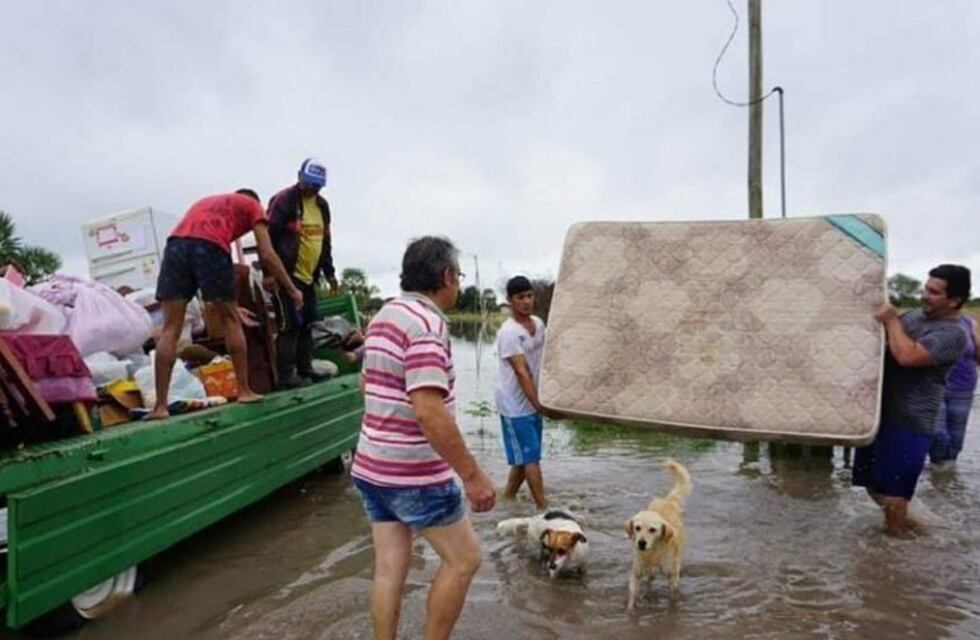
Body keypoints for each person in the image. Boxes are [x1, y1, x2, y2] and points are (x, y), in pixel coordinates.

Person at [350, 236, 495, 640]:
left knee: (389, 567)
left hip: (371, 467)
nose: (460, 285)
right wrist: (473, 476)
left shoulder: (383, 317)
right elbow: (429, 409)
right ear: (447, 276)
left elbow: (366, 385)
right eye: (459, 276)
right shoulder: (428, 326)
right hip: (414, 475)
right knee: (464, 561)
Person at [149, 189, 302, 420]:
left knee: (171, 328)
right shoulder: (253, 206)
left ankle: (160, 407)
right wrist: (292, 289)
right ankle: (244, 390)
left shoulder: (206, 201)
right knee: (230, 320)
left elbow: (193, 248)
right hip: (210, 246)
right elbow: (267, 253)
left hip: (175, 245)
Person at [853, 264, 970, 535]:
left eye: (934, 292)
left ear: (954, 300)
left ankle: (895, 551)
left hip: (910, 421)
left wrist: (893, 320)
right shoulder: (915, 317)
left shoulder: (954, 334)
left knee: (894, 495)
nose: (924, 295)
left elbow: (907, 356)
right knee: (872, 485)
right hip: (877, 416)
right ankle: (914, 525)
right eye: (925, 288)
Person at [267, 158, 339, 388]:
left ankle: (306, 369)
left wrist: (329, 272)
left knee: (309, 322)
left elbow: (325, 241)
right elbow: (267, 238)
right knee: (290, 325)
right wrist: (270, 273)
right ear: (299, 177)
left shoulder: (322, 207)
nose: (312, 188)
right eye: (309, 183)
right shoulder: (284, 201)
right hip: (286, 275)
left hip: (309, 276)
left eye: (317, 185)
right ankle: (285, 375)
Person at [495, 275, 557, 509]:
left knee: (523, 457)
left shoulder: (538, 324)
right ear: (510, 301)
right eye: (520, 297)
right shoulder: (509, 333)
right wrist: (539, 404)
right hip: (514, 404)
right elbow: (521, 372)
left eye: (529, 296)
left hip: (533, 399)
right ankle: (544, 508)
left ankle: (507, 499)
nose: (526, 301)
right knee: (530, 457)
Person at [929, 307, 979, 468]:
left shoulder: (969, 323)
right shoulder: (927, 322)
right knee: (938, 433)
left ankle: (946, 478)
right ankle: (937, 465)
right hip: (934, 385)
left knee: (956, 439)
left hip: (964, 386)